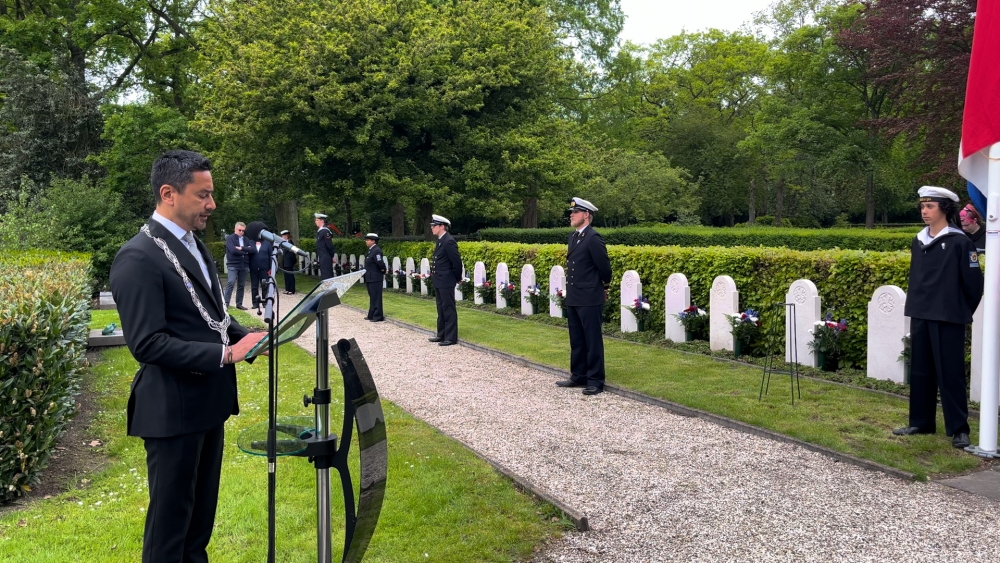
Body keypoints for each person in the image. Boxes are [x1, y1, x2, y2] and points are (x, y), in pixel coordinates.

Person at [109, 150, 265, 563]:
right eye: (203, 195)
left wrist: (248, 337)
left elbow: (211, 314)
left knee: (197, 529)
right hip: (172, 411)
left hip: (207, 405)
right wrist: (226, 354)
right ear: (168, 194)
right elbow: (146, 343)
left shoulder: (194, 245)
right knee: (169, 532)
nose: (212, 205)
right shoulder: (137, 257)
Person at [894, 186, 983, 449]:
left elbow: (973, 286)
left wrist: (957, 309)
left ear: (944, 208)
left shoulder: (960, 242)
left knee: (951, 373)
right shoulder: (918, 240)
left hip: (948, 317)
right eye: (922, 206)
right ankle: (921, 422)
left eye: (930, 206)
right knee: (920, 371)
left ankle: (959, 429)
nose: (924, 211)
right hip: (921, 313)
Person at [555, 197, 612, 396]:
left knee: (592, 339)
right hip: (575, 295)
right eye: (572, 212)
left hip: (589, 297)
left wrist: (603, 287)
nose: (571, 215)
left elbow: (604, 268)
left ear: (586, 215)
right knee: (577, 338)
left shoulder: (593, 237)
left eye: (575, 212)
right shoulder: (574, 237)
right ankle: (578, 375)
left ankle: (595, 380)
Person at [429, 214, 462, 346]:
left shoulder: (449, 241)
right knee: (440, 307)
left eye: (434, 226)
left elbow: (456, 262)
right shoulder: (440, 240)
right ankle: (441, 334)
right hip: (439, 279)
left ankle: (451, 337)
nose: (432, 228)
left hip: (446, 280)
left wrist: (457, 277)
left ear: (442, 226)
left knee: (448, 308)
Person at [223, 221, 255, 309]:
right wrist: (246, 251)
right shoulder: (230, 238)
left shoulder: (246, 239)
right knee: (231, 282)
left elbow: (253, 250)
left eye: (243, 231)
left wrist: (241, 249)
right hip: (233, 264)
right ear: (235, 229)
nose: (241, 232)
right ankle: (225, 303)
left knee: (241, 285)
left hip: (244, 265)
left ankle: (239, 304)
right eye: (239, 230)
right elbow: (233, 250)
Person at [362, 233, 388, 322]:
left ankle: (378, 316)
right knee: (372, 297)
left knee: (376, 297)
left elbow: (380, 263)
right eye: (366, 240)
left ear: (373, 241)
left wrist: (383, 271)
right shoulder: (371, 250)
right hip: (370, 277)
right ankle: (371, 314)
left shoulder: (376, 251)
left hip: (375, 278)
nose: (366, 241)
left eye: (368, 240)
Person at [248, 235, 273, 309]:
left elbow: (270, 256)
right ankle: (255, 303)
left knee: (264, 285)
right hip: (253, 267)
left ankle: (265, 302)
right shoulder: (250, 242)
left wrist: (270, 268)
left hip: (264, 267)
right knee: (254, 286)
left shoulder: (267, 243)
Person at [314, 212, 337, 280]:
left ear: (322, 221)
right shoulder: (321, 231)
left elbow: (329, 245)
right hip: (322, 256)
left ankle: (330, 290)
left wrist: (332, 256)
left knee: (327, 275)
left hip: (326, 256)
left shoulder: (325, 231)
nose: (315, 222)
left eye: (317, 220)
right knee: (324, 274)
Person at [279, 229, 297, 294]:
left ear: (286, 235)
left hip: (289, 262)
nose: (282, 237)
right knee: (286, 276)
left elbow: (291, 253)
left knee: (290, 276)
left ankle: (292, 290)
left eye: (283, 235)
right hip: (285, 261)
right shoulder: (284, 243)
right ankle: (287, 288)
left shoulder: (290, 243)